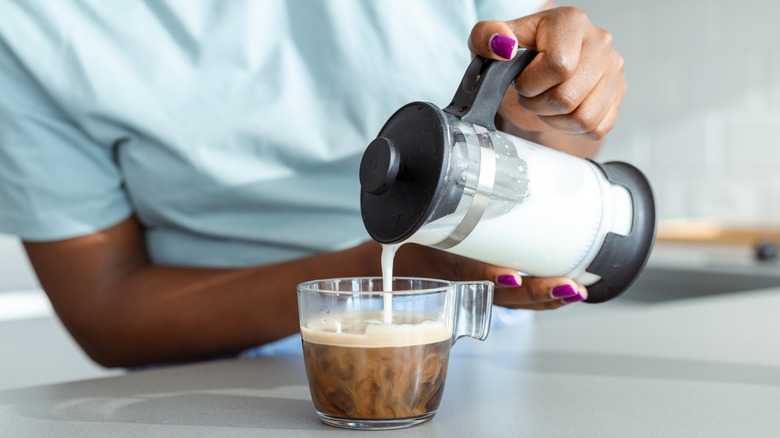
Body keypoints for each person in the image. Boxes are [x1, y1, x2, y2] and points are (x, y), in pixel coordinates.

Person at [0, 0, 625, 368]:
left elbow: (560, 137)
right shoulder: (33, 27)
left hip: (479, 349)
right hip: (213, 377)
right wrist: (398, 270)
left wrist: (548, 102)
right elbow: (104, 306)